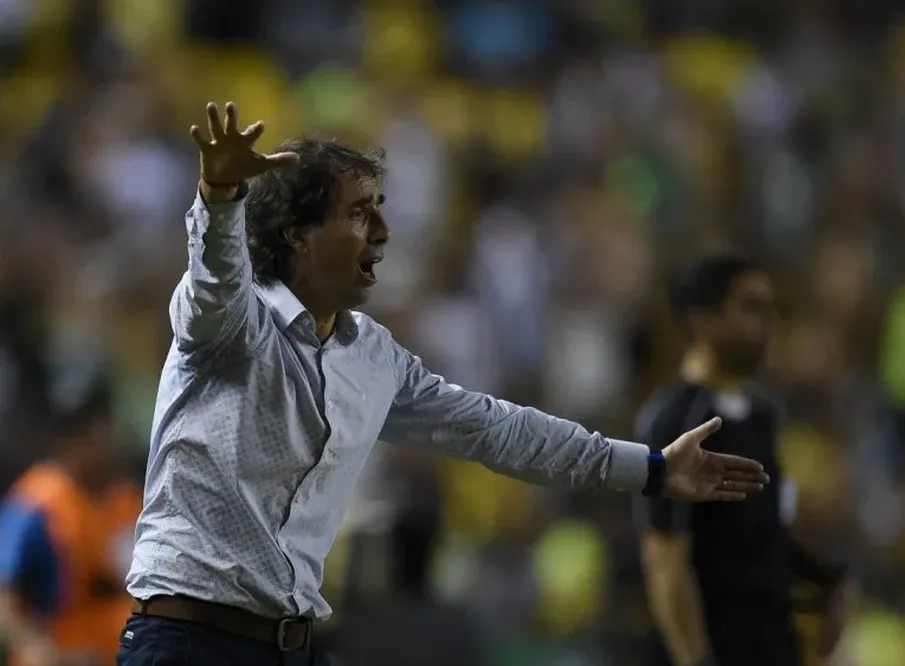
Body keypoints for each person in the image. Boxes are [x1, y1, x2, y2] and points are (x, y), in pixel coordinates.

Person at [119, 102, 770, 666]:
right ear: (297, 234)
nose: (383, 232)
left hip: (291, 648)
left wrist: (651, 469)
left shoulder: (374, 358)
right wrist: (220, 197)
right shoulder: (230, 323)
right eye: (358, 214)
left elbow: (499, 431)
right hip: (184, 641)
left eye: (379, 210)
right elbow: (212, 285)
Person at [634, 254, 852, 666]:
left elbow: (763, 530)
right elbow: (666, 561)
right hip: (719, 646)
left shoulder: (761, 415)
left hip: (771, 645)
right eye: (751, 308)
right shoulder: (677, 421)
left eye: (770, 310)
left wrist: (827, 580)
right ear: (703, 322)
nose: (767, 324)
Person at [0, 382, 141, 666]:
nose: (105, 441)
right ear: (69, 442)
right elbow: (4, 597)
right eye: (92, 433)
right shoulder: (37, 502)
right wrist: (35, 647)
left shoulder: (128, 499)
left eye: (106, 428)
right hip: (65, 653)